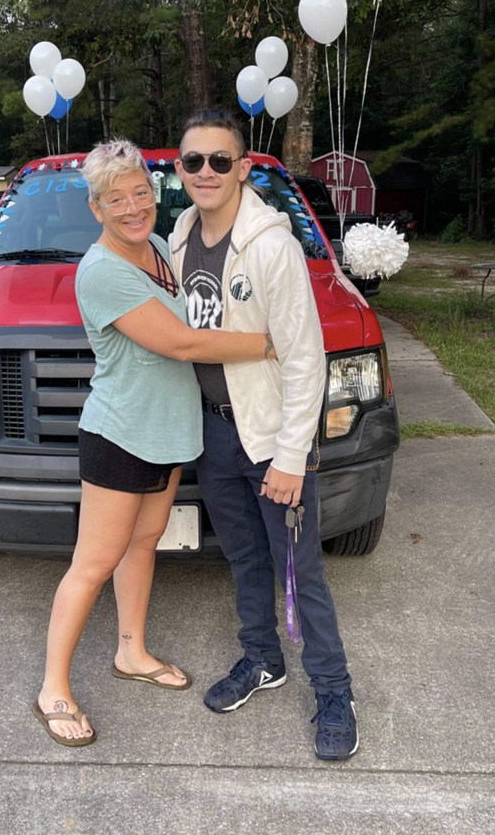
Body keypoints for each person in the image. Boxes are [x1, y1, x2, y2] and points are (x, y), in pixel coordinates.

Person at [33, 138, 276, 747]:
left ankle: (132, 652)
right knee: (92, 564)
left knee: (144, 545)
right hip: (121, 436)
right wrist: (270, 344)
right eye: (116, 199)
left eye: (141, 192)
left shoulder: (161, 249)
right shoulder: (104, 271)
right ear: (97, 208)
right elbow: (183, 344)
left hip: (168, 433)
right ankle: (53, 687)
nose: (133, 206)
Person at [169, 110, 358, 761]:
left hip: (274, 442)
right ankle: (262, 659)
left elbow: (306, 359)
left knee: (299, 573)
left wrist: (290, 457)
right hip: (216, 437)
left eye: (220, 161)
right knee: (244, 558)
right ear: (180, 170)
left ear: (242, 169)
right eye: (194, 161)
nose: (206, 173)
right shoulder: (181, 234)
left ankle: (334, 691)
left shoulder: (272, 245)